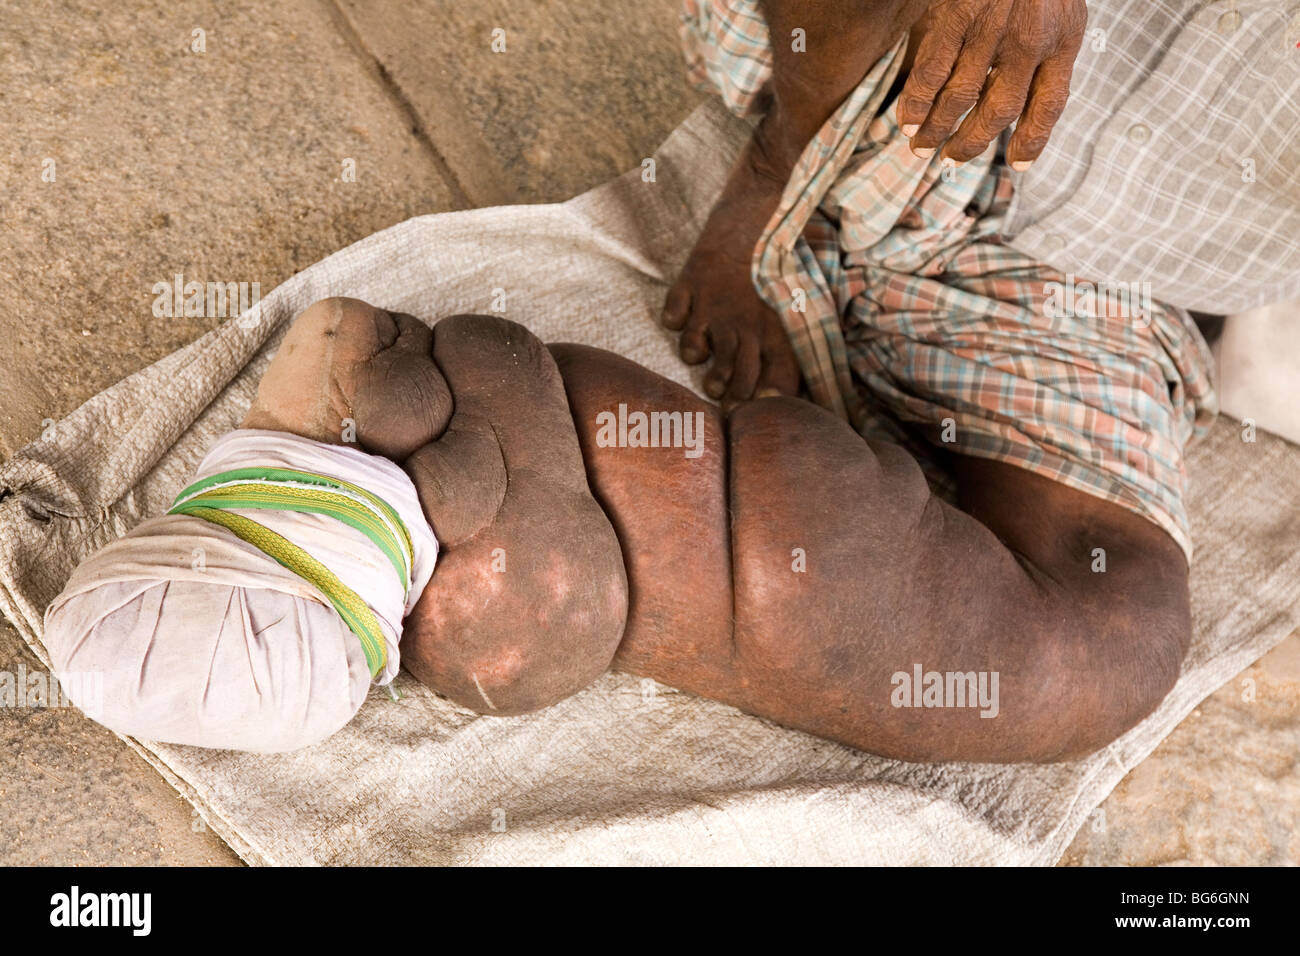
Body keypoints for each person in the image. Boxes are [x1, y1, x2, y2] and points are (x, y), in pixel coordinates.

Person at [47, 298, 1198, 762]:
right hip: (984, 243)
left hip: (775, 487)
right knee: (1100, 639)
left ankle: (705, 555)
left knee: (1081, 645)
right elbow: (348, 326)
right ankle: (702, 549)